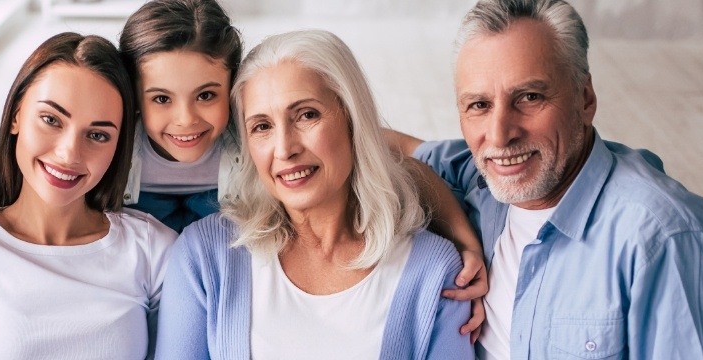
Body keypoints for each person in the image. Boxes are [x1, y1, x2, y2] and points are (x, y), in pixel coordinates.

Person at [0, 0, 491, 335]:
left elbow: (401, 154)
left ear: (232, 91)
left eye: (207, 95)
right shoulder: (109, 139)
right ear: (132, 97)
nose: (186, 121)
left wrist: (463, 233)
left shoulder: (254, 133)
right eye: (160, 99)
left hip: (224, 242)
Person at [389, 0, 703, 358]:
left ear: (585, 99)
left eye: (529, 98)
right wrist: (463, 235)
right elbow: (367, 143)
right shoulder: (479, 177)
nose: (499, 134)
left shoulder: (663, 243)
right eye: (479, 105)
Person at [155, 29, 473, 359]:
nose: (285, 149)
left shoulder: (433, 269)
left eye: (307, 114)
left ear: (353, 119)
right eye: (262, 126)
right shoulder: (205, 256)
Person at [0, 32, 176, 359]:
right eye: (51, 119)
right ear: (17, 115)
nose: (69, 153)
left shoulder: (154, 251)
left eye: (98, 135)